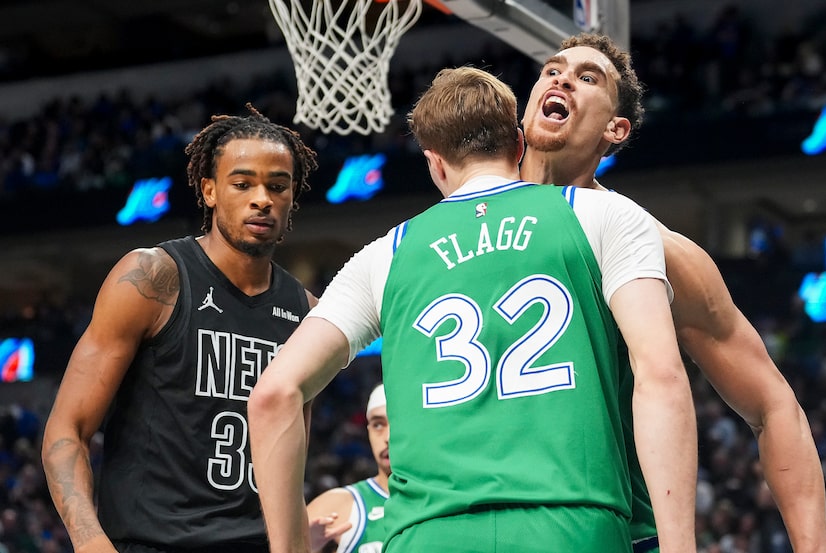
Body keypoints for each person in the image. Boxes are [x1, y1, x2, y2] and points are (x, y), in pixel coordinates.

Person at [248, 66, 697, 553]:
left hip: (427, 533)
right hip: (571, 524)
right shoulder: (604, 215)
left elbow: (274, 396)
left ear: (435, 164)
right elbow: (660, 375)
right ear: (519, 145)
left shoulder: (384, 256)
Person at [519, 32, 826, 553]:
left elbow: (775, 405)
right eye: (551, 70)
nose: (562, 78)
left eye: (586, 77)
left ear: (615, 130)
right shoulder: (459, 218)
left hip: (610, 531)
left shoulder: (653, 246)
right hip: (476, 521)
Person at [41, 104, 319, 553]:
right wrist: (90, 541)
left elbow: (291, 466)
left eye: (277, 186)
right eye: (243, 183)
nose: (262, 198)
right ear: (209, 191)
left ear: (291, 198)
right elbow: (66, 429)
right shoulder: (153, 279)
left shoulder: (306, 313)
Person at [307, 383, 390, 553]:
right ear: (368, 431)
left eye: (396, 423)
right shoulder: (337, 506)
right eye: (378, 425)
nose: (387, 437)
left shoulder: (448, 499)